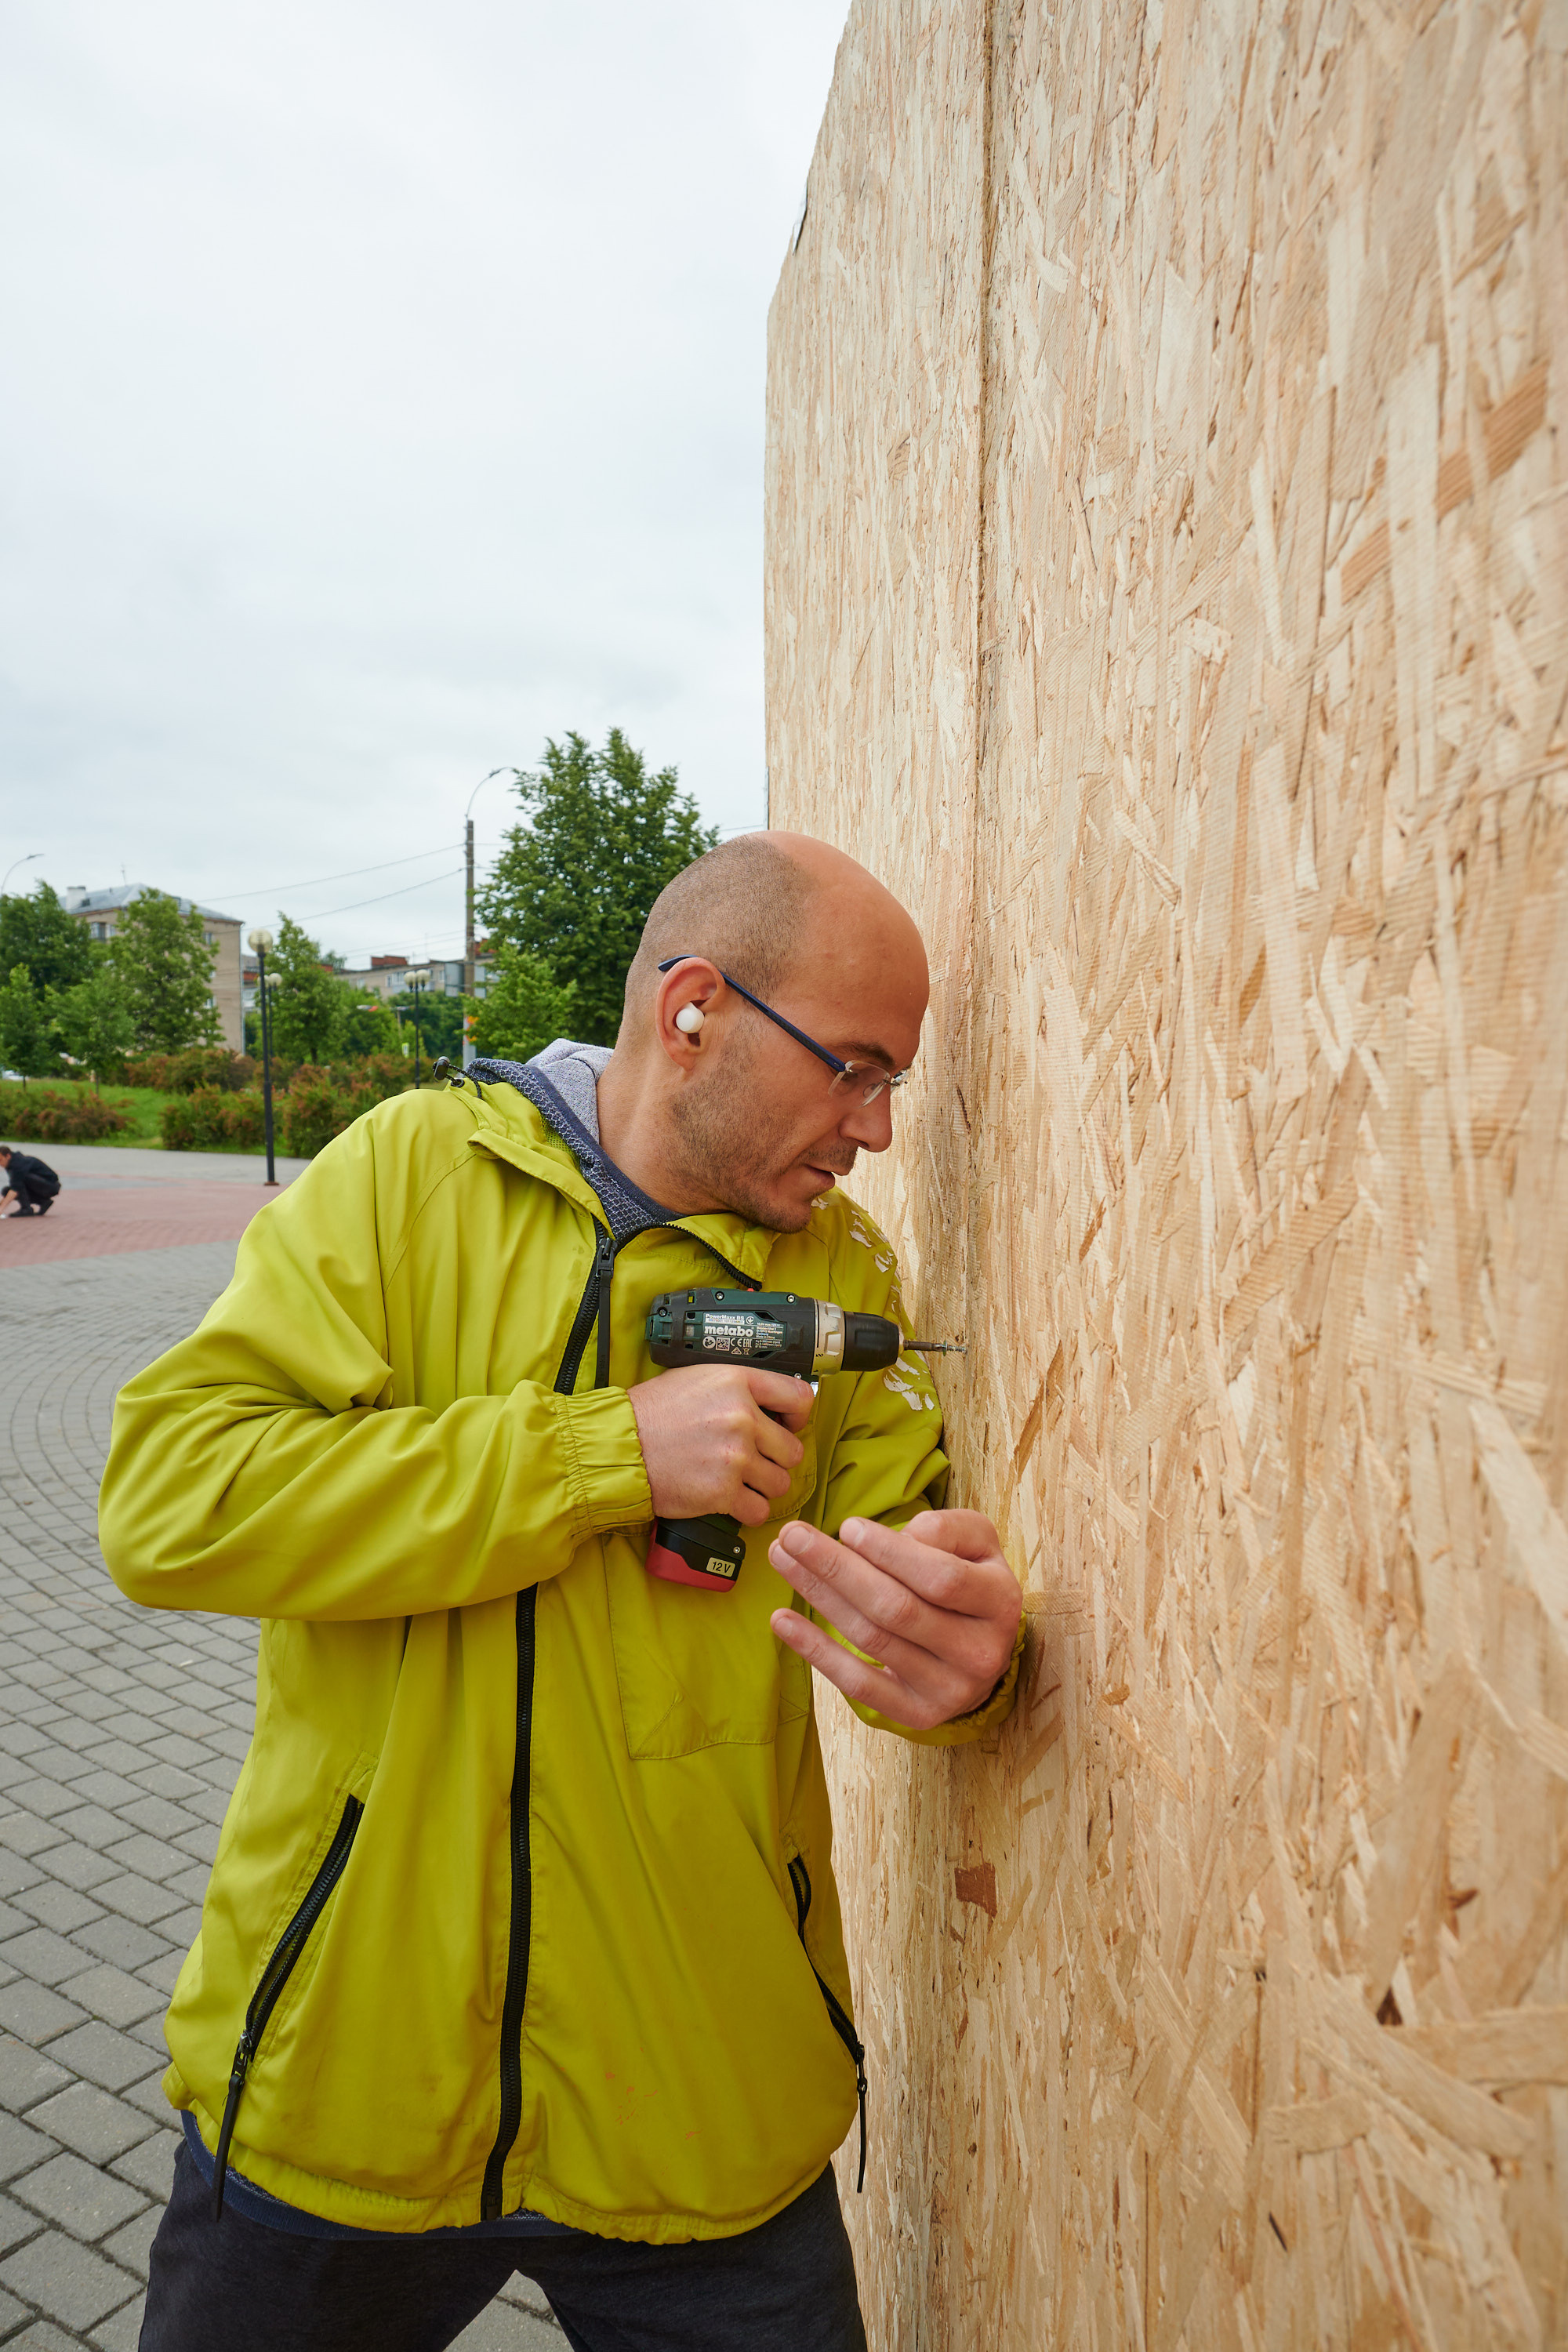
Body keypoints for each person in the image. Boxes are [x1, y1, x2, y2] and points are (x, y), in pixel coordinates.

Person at [99, 833, 1024, 2352]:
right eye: (853, 1069)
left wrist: (961, 1656)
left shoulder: (844, 1279)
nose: (874, 1130)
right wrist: (602, 1457)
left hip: (701, 2106)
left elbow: (893, 1575)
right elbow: (168, 1500)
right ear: (694, 1012)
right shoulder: (409, 1180)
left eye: (893, 1085)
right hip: (346, 2086)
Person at [0, 1144, 60, 1217]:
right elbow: (14, 1188)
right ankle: (44, 1202)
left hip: (51, 1186)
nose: (0, 1164)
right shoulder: (12, 1162)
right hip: (43, 1185)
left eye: (0, 1160)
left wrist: (2, 1208)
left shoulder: (18, 1164)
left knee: (20, 1181)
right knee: (7, 1191)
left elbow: (15, 1189)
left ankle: (26, 1209)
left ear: (8, 1156)